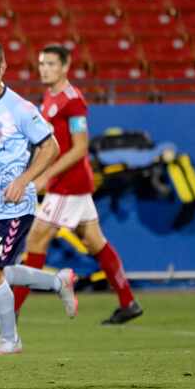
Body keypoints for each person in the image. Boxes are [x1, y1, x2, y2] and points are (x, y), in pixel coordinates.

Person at [0, 39, 78, 355]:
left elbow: (50, 146)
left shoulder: (20, 108)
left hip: (15, 204)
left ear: (2, 67)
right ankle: (59, 282)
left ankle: (10, 340)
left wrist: (26, 179)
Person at [13, 43, 142, 325]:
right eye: (41, 63)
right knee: (96, 242)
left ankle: (11, 310)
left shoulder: (73, 101)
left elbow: (80, 147)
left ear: (65, 66)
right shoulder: (49, 97)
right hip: (69, 184)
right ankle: (128, 302)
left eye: (50, 64)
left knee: (35, 240)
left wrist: (47, 175)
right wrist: (33, 171)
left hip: (68, 184)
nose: (44, 69)